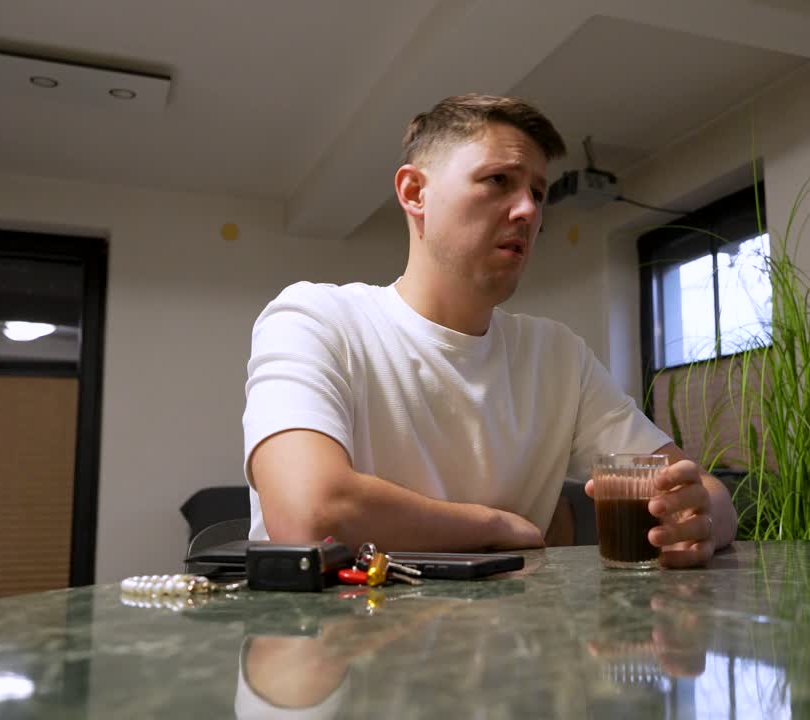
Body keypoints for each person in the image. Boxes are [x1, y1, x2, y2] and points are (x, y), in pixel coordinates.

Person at [243, 94, 736, 567]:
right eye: (498, 180)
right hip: (327, 645)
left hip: (502, 649)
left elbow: (708, 496)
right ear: (415, 193)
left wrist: (700, 522)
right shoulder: (313, 319)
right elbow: (308, 513)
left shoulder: (559, 356)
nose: (528, 211)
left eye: (538, 194)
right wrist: (495, 526)